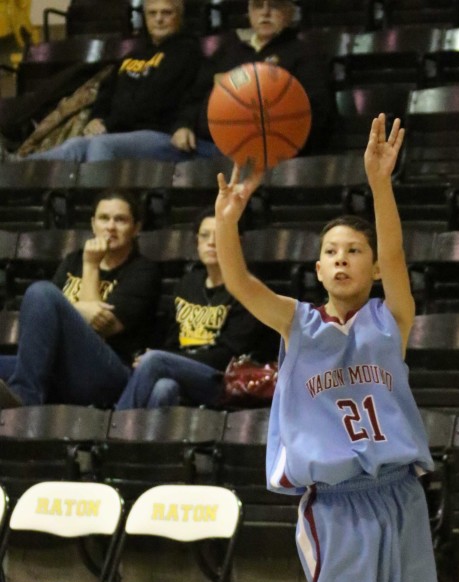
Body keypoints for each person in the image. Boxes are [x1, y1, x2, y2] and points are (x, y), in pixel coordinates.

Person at [214, 114, 448, 582]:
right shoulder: (298, 325)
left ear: (372, 268)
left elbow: (399, 249)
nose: (342, 258)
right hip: (337, 508)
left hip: (400, 498)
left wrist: (380, 182)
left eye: (354, 251)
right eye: (330, 251)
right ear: (317, 269)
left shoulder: (392, 319)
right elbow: (243, 283)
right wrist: (226, 227)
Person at [0, 190, 161, 408]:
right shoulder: (72, 260)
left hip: (107, 374)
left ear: (136, 228)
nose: (110, 227)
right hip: (59, 366)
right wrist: (78, 310)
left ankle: (25, 397)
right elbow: (46, 316)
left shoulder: (143, 271)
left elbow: (99, 327)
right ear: (93, 224)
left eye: (120, 220)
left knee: (41, 291)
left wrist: (91, 266)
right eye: (104, 218)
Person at [115, 208, 277, 409]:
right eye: (204, 236)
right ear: (197, 242)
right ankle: (139, 440)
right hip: (183, 372)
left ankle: (110, 433)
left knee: (154, 361)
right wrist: (167, 359)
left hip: (223, 379)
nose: (211, 242)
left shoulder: (249, 290)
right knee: (164, 388)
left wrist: (165, 360)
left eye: (220, 236)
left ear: (238, 242)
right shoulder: (187, 284)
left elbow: (227, 356)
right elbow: (172, 341)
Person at [26, 0, 200, 163]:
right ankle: (19, 166)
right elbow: (106, 91)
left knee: (100, 145)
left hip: (158, 132)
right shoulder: (132, 56)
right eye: (152, 13)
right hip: (119, 132)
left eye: (166, 13)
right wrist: (97, 118)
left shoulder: (187, 53)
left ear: (179, 16)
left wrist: (109, 124)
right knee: (75, 145)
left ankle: (101, 196)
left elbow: (154, 101)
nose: (159, 19)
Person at [164, 0, 333, 162]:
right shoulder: (229, 50)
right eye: (258, 5)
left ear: (289, 13)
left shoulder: (304, 55)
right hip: (211, 148)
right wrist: (184, 125)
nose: (265, 12)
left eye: (274, 5)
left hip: (272, 153)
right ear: (250, 12)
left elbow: (317, 112)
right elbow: (196, 95)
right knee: (142, 144)